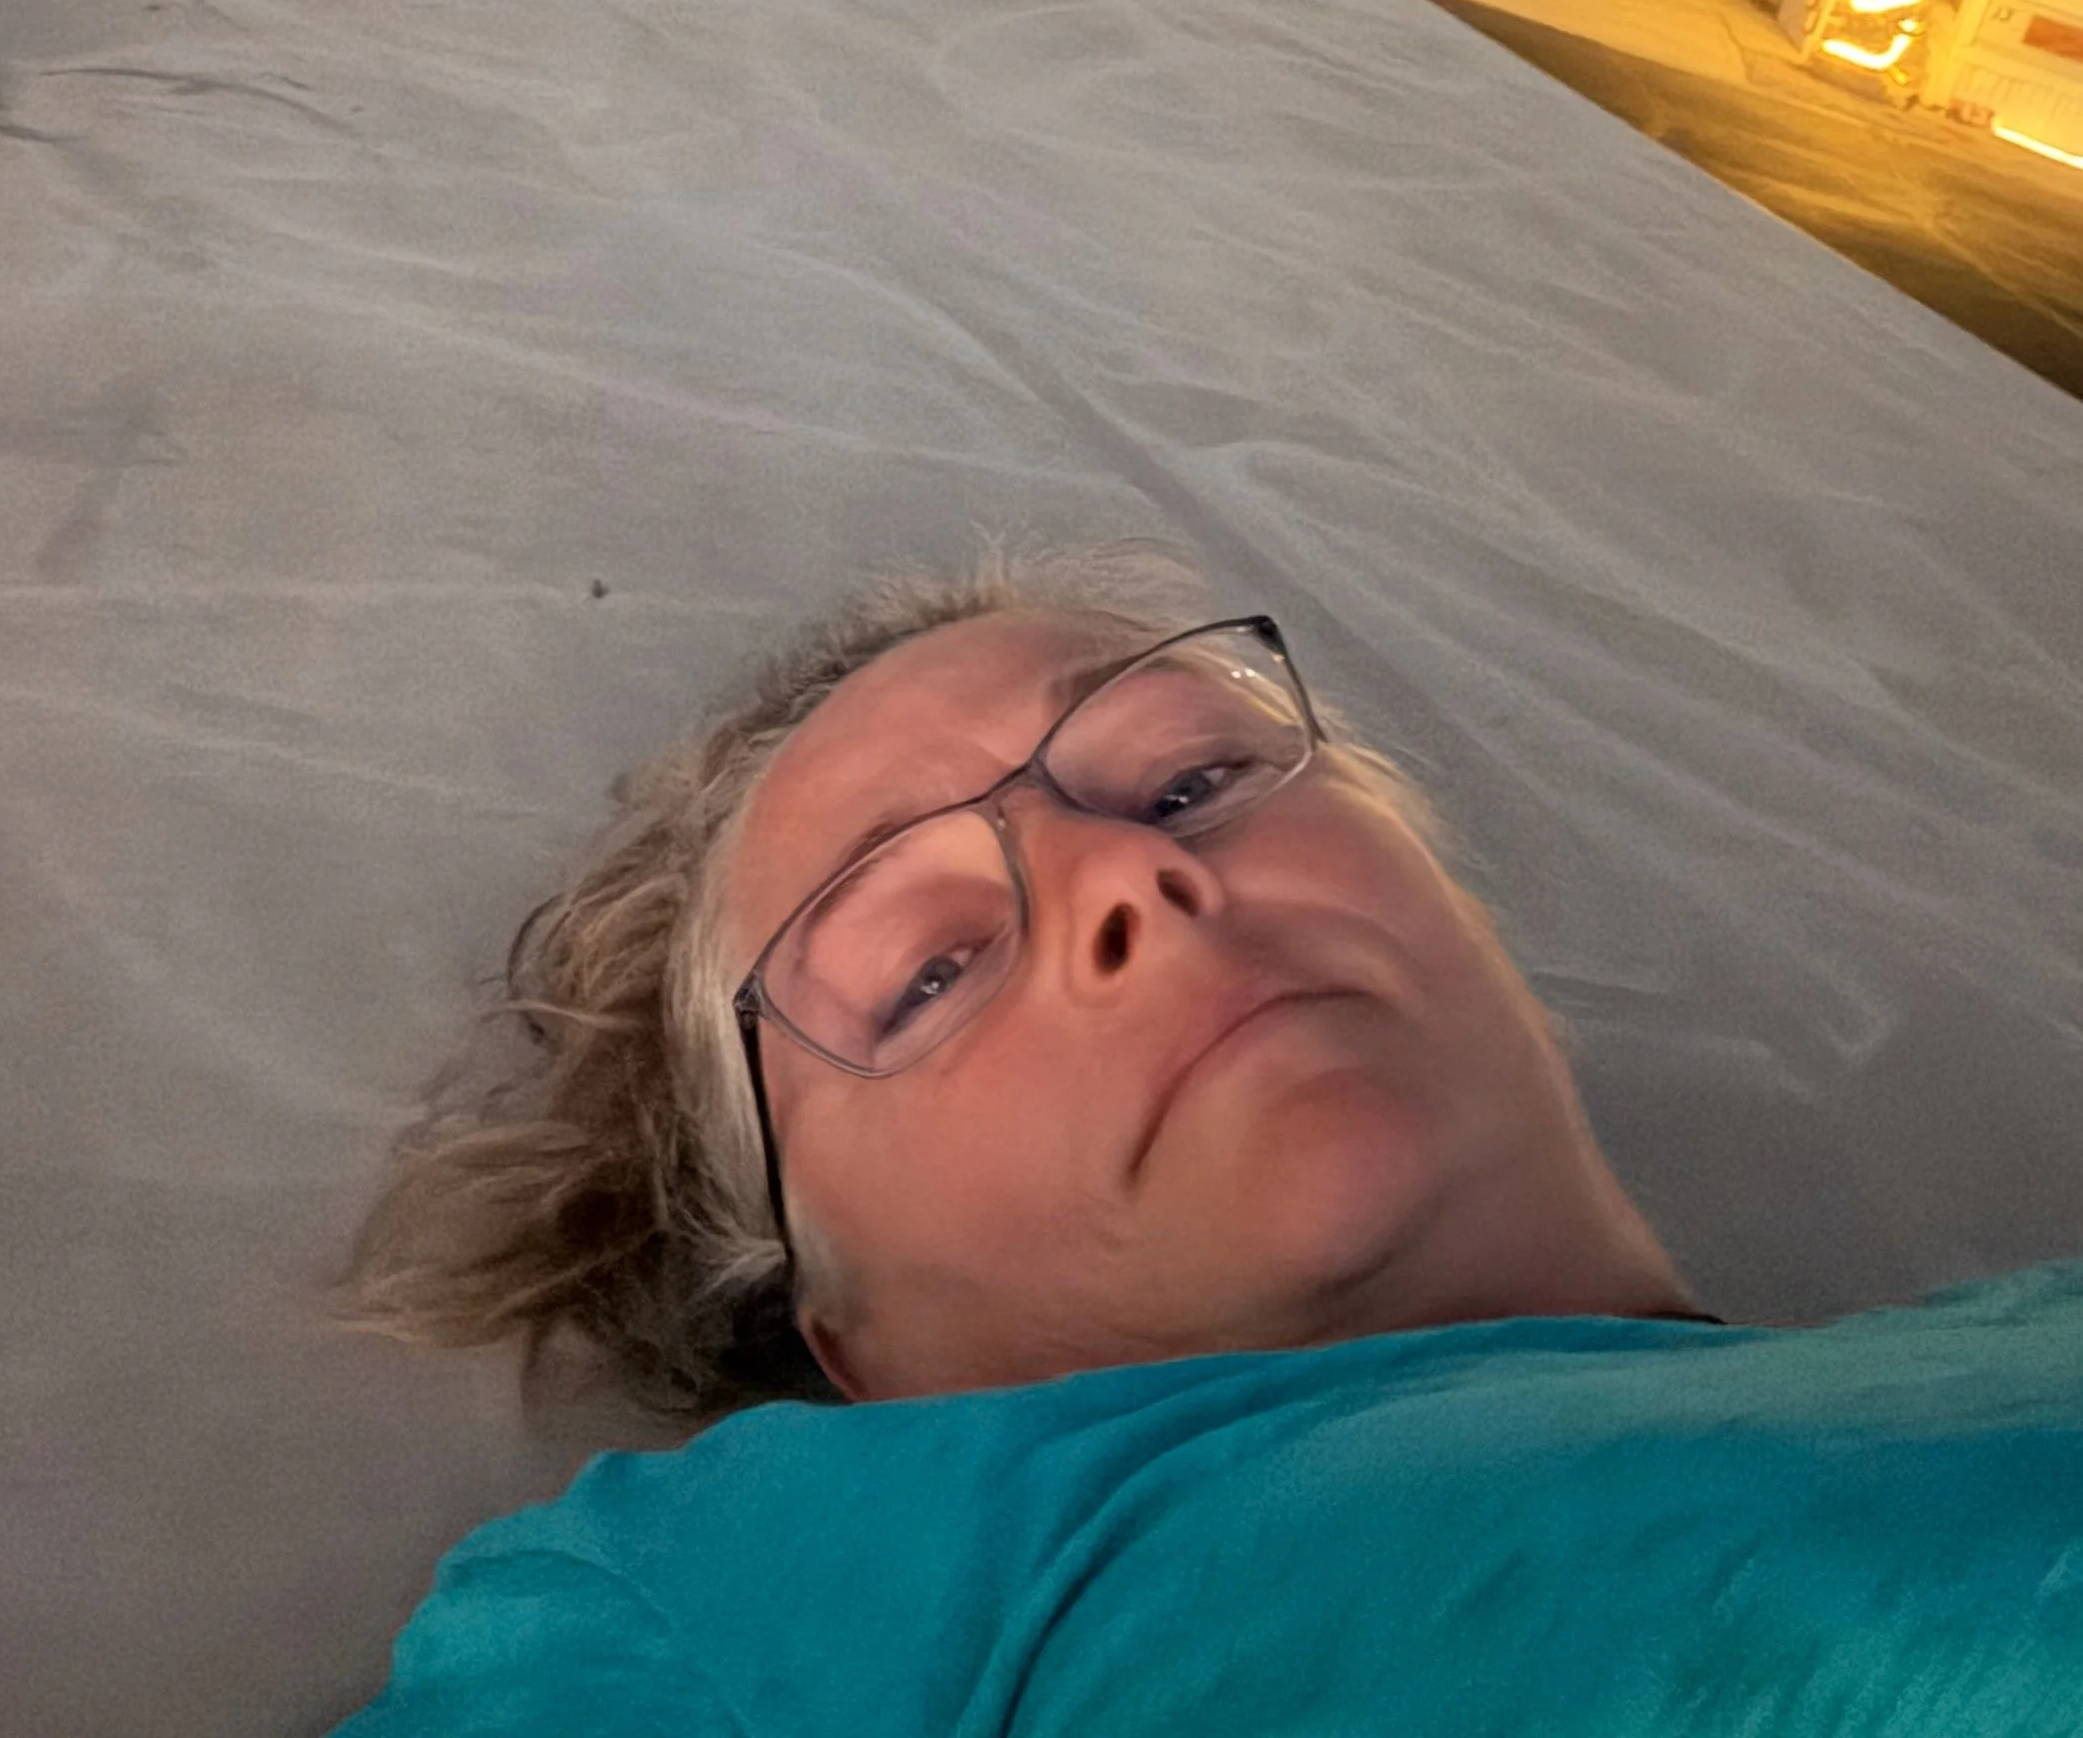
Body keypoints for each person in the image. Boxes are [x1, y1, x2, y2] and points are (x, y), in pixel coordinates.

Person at [337, 542, 2083, 1734]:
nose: (1129, 874)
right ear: (855, 1345)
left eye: (1188, 783)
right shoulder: (763, 1586)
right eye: (928, 967)